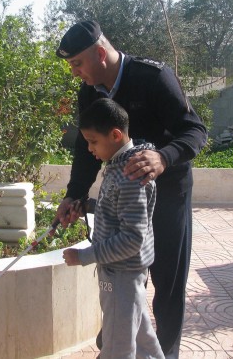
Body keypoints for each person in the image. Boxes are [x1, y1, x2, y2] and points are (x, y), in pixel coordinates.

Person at [55, 20, 208, 358]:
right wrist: (75, 195)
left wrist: (163, 157)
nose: (75, 72)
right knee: (126, 271)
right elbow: (85, 148)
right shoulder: (90, 91)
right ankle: (119, 338)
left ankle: (166, 352)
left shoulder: (154, 78)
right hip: (124, 198)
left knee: (167, 282)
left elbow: (195, 131)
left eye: (77, 63)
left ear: (100, 53)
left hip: (167, 194)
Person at [63, 98, 164, 359]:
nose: (89, 148)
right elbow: (119, 212)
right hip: (123, 271)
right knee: (139, 335)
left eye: (93, 141)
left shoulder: (129, 176)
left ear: (116, 135)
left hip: (121, 272)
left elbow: (131, 239)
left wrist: (84, 256)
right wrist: (88, 206)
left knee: (118, 343)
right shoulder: (121, 166)